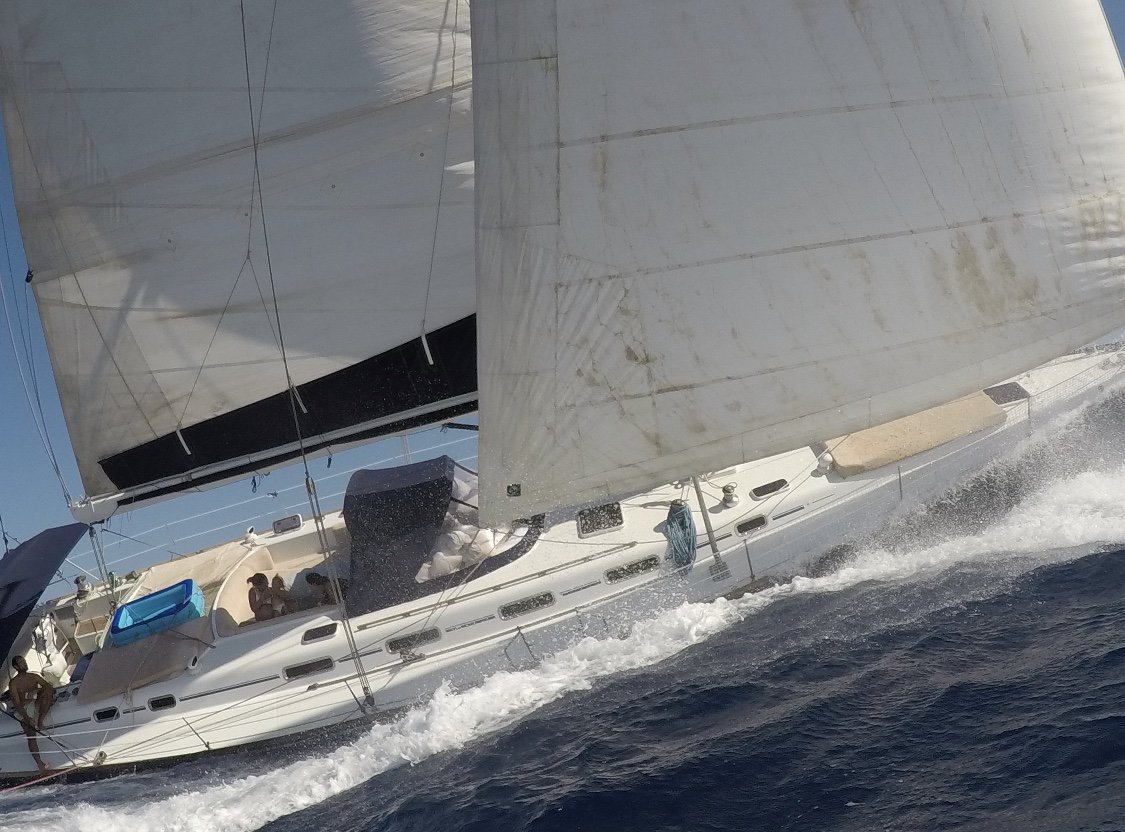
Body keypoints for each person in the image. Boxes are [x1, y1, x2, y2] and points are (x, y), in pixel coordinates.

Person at [8, 655, 54, 772]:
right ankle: (40, 764)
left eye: (24, 661)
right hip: (23, 708)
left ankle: (40, 721)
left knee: (47, 692)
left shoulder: (33, 676)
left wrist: (36, 690)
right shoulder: (14, 683)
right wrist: (27, 718)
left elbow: (49, 687)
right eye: (21, 662)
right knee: (31, 735)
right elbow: (17, 704)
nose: (24, 664)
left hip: (34, 703)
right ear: (16, 666)